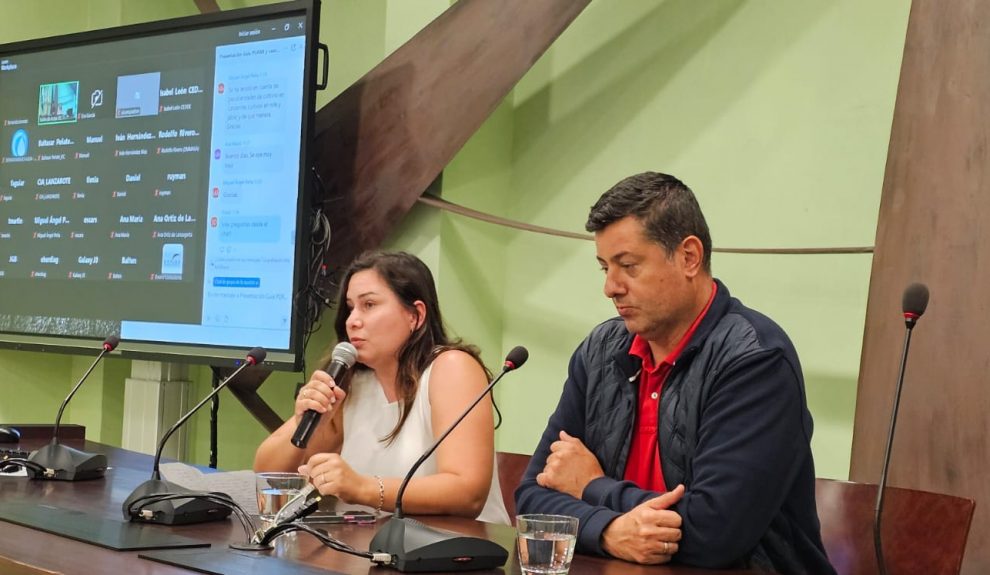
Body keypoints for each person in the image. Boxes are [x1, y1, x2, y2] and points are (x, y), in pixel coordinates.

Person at [515, 172, 834, 573]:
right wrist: (611, 530)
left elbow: (713, 534)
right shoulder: (599, 352)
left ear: (688, 257)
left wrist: (591, 488)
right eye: (604, 268)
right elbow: (531, 499)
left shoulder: (755, 360)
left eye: (628, 266)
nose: (611, 287)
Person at [255, 251, 509, 524]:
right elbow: (268, 477)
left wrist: (362, 488)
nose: (352, 320)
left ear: (415, 315)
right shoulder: (351, 383)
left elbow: (467, 493)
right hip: (370, 551)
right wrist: (303, 420)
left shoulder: (452, 368)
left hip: (457, 551)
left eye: (369, 305)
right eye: (350, 307)